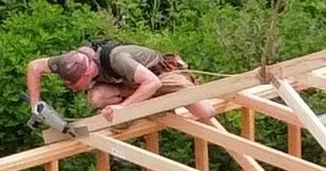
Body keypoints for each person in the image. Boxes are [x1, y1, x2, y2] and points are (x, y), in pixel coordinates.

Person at [25, 42, 217, 127]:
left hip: (161, 76)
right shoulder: (67, 61)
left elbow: (153, 82)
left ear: (88, 72)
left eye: (76, 83)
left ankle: (188, 86)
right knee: (97, 97)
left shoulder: (117, 59)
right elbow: (34, 67)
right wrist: (35, 105)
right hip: (130, 83)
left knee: (205, 112)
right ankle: (139, 108)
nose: (74, 88)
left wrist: (122, 107)